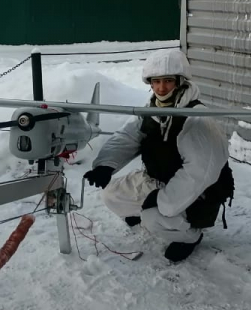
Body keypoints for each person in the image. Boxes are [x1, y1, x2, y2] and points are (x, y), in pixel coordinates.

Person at [83, 49, 234, 262]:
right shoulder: (152, 110)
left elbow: (198, 174)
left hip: (199, 194)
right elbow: (127, 137)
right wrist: (105, 166)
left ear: (180, 81)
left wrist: (163, 201)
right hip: (158, 179)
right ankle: (151, 213)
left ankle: (190, 236)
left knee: (153, 217)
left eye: (168, 81)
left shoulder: (197, 119)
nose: (161, 88)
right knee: (111, 195)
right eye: (156, 81)